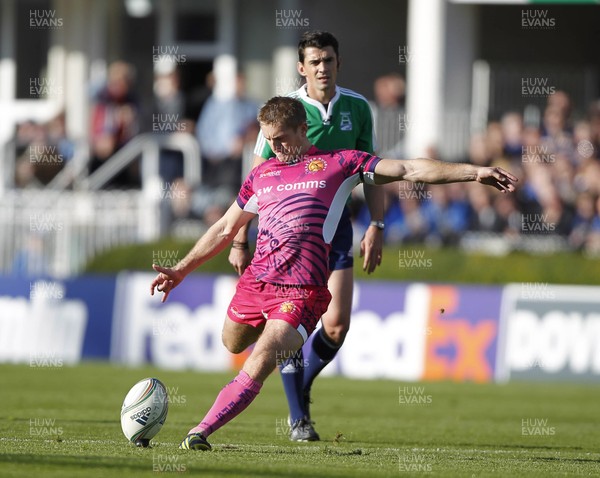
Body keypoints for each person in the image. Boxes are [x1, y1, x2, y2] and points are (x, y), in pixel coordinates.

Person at [150, 96, 518, 451]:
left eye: (281, 139)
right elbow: (224, 228)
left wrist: (474, 172)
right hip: (256, 283)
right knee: (232, 342)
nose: (275, 147)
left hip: (303, 292)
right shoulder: (261, 174)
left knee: (261, 358)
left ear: (302, 129)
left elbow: (408, 168)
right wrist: (181, 270)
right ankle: (280, 340)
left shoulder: (340, 163)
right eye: (268, 140)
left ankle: (200, 431)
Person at [228, 30, 386, 441]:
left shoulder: (357, 107)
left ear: (338, 62)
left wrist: (377, 224)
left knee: (336, 327)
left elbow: (373, 171)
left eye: (328, 60)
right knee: (289, 322)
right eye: (314, 61)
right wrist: (239, 239)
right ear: (302, 68)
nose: (322, 67)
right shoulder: (285, 112)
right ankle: (299, 418)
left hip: (337, 226)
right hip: (287, 230)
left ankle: (302, 388)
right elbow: (255, 182)